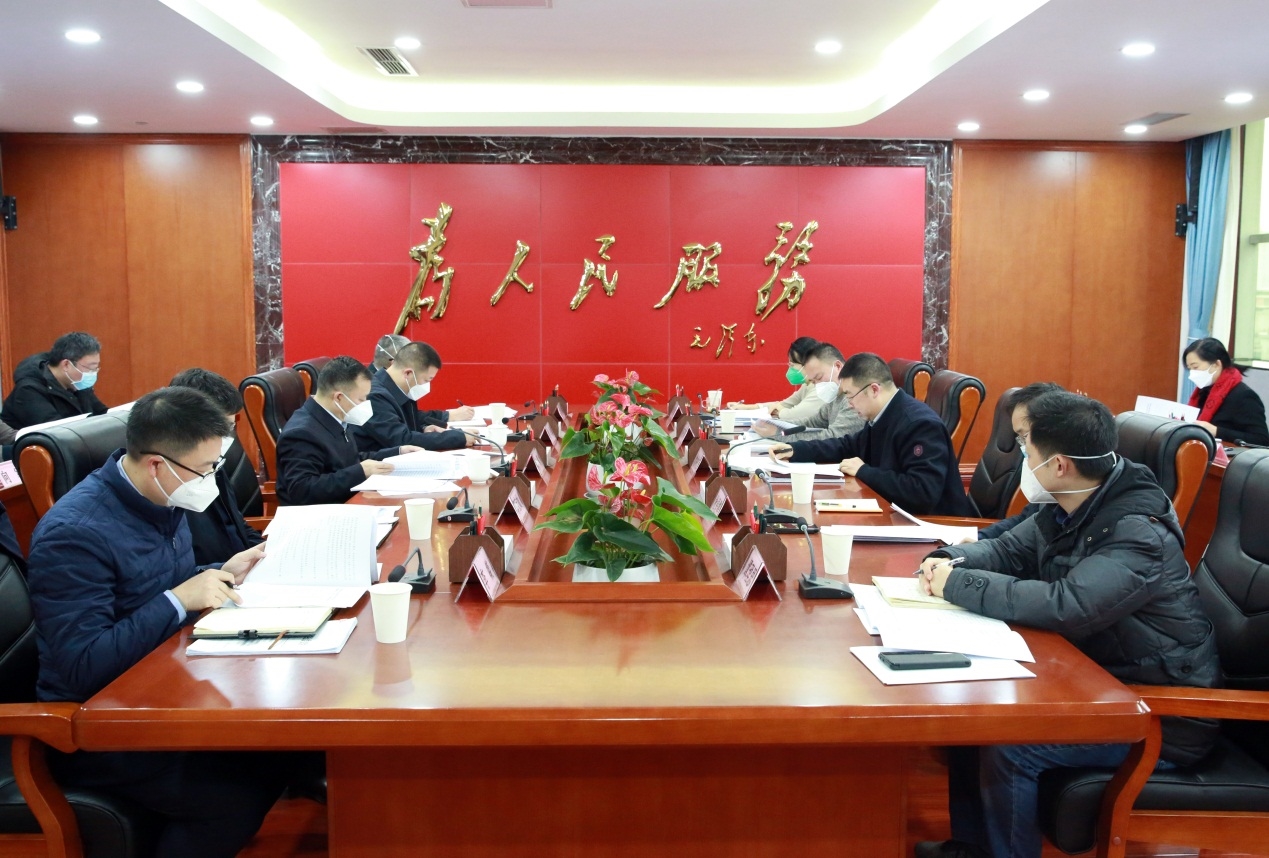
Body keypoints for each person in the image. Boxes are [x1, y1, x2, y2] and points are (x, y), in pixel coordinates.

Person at [913, 391, 1219, 858]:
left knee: (1009, 746)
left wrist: (958, 584)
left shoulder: (1137, 532)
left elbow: (1068, 604)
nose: (1020, 455)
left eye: (1025, 446)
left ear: (1058, 465)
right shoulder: (1071, 503)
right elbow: (1006, 549)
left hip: (1161, 713)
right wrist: (948, 559)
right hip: (1100, 681)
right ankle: (971, 848)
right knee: (971, 722)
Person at [27, 386, 311, 858]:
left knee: (283, 748)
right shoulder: (74, 535)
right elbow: (82, 663)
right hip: (97, 728)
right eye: (206, 469)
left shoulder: (162, 497)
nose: (211, 481)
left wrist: (217, 572)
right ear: (157, 464)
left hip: (161, 687)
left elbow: (153, 585)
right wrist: (179, 599)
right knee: (234, 798)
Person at [770, 352, 973, 516]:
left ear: (874, 389)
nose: (849, 404)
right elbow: (847, 446)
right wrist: (795, 450)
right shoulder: (883, 414)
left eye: (850, 396)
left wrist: (864, 471)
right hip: (897, 512)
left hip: (935, 525)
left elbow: (921, 492)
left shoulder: (919, 424)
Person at [276, 356, 414, 505]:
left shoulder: (335, 416)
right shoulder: (301, 434)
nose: (366, 404)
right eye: (361, 399)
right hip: (319, 512)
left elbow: (348, 459)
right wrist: (360, 472)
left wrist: (397, 452)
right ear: (339, 398)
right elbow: (303, 490)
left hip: (347, 501)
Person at [169, 367, 265, 565]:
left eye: (230, 427)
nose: (226, 438)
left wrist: (267, 553)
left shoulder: (214, 464)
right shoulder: (167, 483)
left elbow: (237, 525)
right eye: (220, 429)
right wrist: (223, 571)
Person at [975, 381, 1064, 540]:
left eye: (1025, 436)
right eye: (1020, 438)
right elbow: (1024, 522)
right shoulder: (1049, 496)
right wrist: (977, 539)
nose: (1024, 448)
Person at [352, 341, 473, 454]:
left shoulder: (397, 389)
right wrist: (457, 437)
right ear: (408, 373)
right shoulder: (374, 395)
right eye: (426, 380)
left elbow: (401, 425)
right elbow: (401, 440)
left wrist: (423, 429)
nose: (426, 385)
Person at [752, 342, 864, 440]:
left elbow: (833, 437)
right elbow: (812, 423)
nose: (818, 385)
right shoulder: (834, 396)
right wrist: (777, 425)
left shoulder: (854, 398)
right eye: (813, 382)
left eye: (819, 377)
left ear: (838, 366)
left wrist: (778, 434)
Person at [1, 331, 108, 430]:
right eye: (90, 368)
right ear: (66, 364)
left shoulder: (77, 383)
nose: (93, 373)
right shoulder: (28, 390)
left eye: (96, 368)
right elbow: (57, 432)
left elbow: (103, 414)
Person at [1183, 336, 1269, 446]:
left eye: (1195, 367)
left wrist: (1217, 431)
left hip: (1231, 455)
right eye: (1189, 368)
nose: (1192, 374)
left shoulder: (1244, 396)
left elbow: (1262, 440)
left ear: (1216, 364)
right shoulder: (1202, 391)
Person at [726, 337, 825, 423]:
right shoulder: (807, 385)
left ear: (808, 364)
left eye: (792, 365)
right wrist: (745, 407)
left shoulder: (821, 388)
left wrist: (779, 409)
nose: (790, 369)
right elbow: (785, 404)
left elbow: (792, 416)